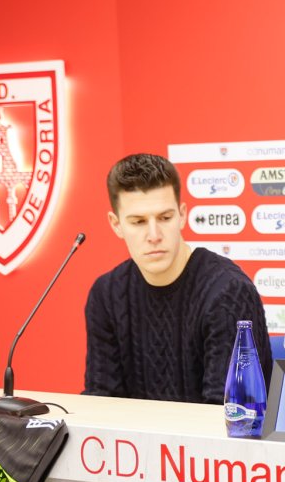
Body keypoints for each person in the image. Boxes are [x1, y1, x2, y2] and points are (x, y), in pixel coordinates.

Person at [84, 153, 271, 404]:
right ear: (116, 224)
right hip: (135, 443)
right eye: (138, 222)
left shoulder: (228, 292)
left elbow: (227, 413)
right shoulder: (106, 294)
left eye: (165, 218)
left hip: (212, 442)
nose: (154, 235)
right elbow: (101, 402)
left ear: (182, 215)